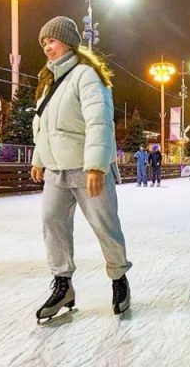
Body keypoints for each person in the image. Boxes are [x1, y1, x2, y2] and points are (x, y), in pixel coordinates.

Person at [29, 16, 131, 322]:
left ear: (69, 42)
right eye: (44, 43)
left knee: (105, 225)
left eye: (53, 40)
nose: (48, 47)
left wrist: (97, 167)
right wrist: (38, 159)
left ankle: (118, 279)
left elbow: (99, 121)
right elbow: (44, 127)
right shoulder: (47, 84)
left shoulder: (86, 75)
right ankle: (63, 284)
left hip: (87, 170)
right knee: (52, 222)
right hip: (56, 172)